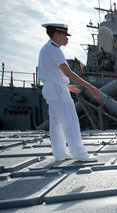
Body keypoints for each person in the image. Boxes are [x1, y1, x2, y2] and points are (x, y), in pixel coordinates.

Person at [38, 23, 100, 162]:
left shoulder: (47, 48)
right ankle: (79, 153)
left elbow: (52, 75)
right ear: (56, 35)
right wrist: (89, 86)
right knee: (70, 119)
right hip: (56, 89)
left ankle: (59, 153)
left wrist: (66, 87)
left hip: (51, 88)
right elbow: (67, 72)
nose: (67, 38)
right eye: (65, 35)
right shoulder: (55, 50)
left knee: (56, 122)